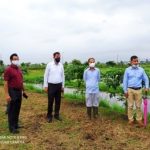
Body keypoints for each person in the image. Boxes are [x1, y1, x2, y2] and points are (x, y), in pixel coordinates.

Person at [123, 55, 149, 127]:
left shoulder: (141, 70)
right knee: (130, 106)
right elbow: (125, 81)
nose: (136, 62)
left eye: (137, 61)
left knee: (138, 106)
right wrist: (125, 91)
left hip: (138, 90)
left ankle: (139, 120)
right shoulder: (127, 70)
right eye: (134, 61)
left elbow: (146, 79)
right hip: (130, 89)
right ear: (131, 61)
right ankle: (131, 120)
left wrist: (147, 87)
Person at [4, 53, 26, 133]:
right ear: (11, 60)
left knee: (17, 108)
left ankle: (16, 124)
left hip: (19, 91)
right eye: (14, 59)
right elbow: (5, 83)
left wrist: (24, 91)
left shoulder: (19, 69)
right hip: (12, 91)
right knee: (12, 110)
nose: (16, 60)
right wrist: (7, 94)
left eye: (17, 59)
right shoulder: (8, 69)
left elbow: (21, 81)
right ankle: (11, 128)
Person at [44, 52, 65, 123]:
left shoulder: (61, 65)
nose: (58, 58)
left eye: (59, 56)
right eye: (57, 56)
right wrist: (45, 86)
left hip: (59, 85)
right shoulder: (49, 65)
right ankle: (49, 116)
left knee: (58, 101)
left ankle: (56, 115)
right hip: (51, 85)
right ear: (53, 57)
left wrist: (63, 86)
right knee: (50, 101)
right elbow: (45, 75)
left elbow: (63, 76)